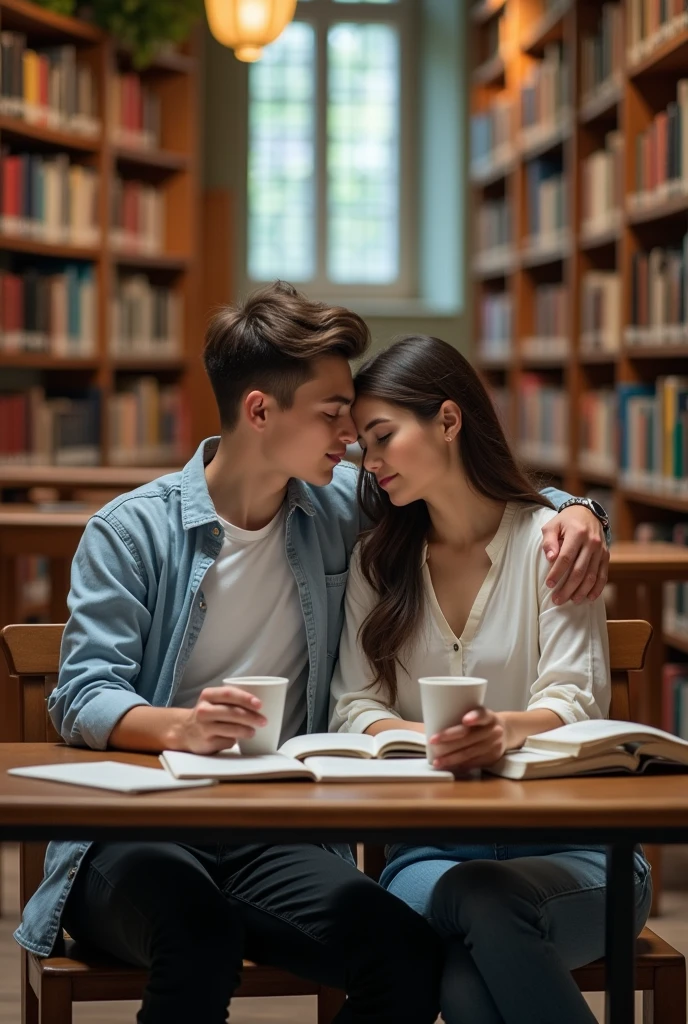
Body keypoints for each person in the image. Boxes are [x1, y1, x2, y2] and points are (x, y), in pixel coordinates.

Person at [15, 284, 610, 1024]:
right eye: (334, 414)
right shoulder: (132, 531)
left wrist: (578, 511)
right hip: (142, 832)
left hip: (271, 831)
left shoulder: (342, 507)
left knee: (402, 950)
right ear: (261, 410)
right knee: (199, 935)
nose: (353, 440)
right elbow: (79, 694)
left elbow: (468, 488)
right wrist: (180, 726)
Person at [330, 334, 652, 1024]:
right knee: (475, 903)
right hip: (428, 857)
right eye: (363, 444)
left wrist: (501, 733)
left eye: (382, 437)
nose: (371, 461)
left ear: (449, 420)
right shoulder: (376, 564)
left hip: (577, 854)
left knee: (465, 960)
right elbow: (352, 704)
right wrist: (430, 739)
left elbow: (573, 698)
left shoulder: (556, 543)